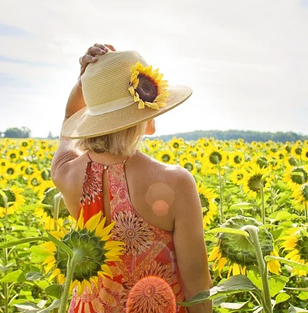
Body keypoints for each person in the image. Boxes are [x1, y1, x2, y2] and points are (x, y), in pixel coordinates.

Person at [51, 43, 212, 313]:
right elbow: (197, 286)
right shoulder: (175, 182)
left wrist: (84, 84)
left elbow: (69, 122)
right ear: (145, 114)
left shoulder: (67, 173)